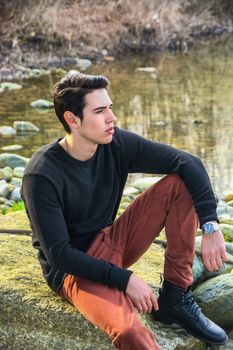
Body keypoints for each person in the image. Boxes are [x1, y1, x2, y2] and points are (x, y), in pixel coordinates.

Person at [21, 70, 229, 350]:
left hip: (113, 240)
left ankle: (176, 296)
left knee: (179, 183)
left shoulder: (115, 142)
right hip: (75, 271)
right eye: (99, 111)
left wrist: (210, 225)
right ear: (72, 119)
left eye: (110, 108)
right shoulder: (42, 175)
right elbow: (60, 256)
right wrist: (125, 279)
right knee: (131, 331)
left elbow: (187, 162)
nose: (111, 118)